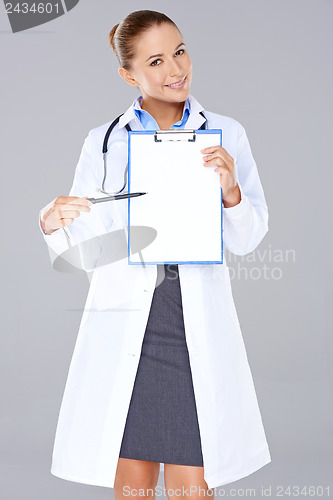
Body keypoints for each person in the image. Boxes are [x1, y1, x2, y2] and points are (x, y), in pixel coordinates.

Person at [39, 9, 271, 499]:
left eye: (180, 51)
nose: (176, 70)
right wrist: (52, 222)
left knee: (191, 483)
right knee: (133, 482)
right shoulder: (104, 142)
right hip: (130, 321)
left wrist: (230, 191)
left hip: (191, 321)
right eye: (157, 61)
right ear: (130, 75)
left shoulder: (227, 132)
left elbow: (249, 238)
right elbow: (89, 250)